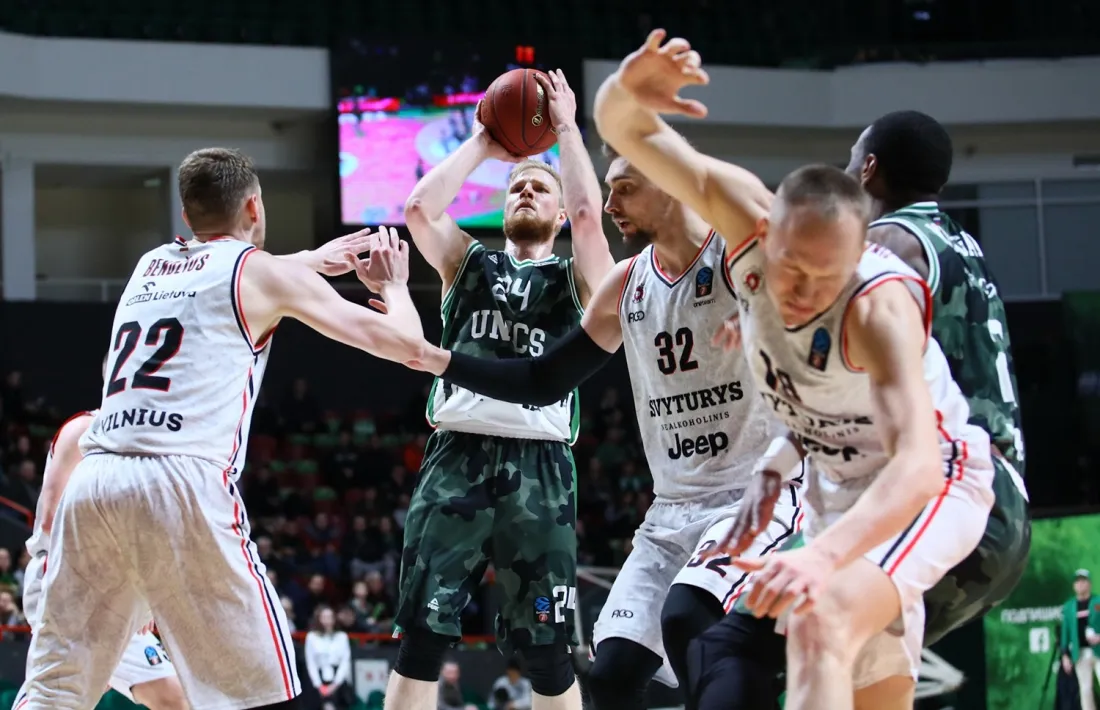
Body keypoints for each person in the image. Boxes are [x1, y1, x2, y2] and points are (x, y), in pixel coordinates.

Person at [594, 31, 997, 710]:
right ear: (766, 234)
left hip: (932, 485)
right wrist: (625, 91)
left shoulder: (880, 308)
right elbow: (629, 135)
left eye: (826, 277)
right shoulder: (746, 225)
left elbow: (918, 467)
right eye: (792, 269)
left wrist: (819, 554)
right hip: (833, 483)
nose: (806, 292)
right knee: (867, 690)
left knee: (817, 620)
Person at [20, 147, 426, 710]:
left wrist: (306, 262)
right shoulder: (260, 273)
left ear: (187, 214)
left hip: (97, 478)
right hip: (178, 483)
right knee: (262, 691)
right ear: (254, 206)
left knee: (55, 691)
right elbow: (407, 346)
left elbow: (219, 275)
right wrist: (397, 286)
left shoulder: (149, 265)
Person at [405, 142, 801, 709]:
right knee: (611, 674)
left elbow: (774, 222)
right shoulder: (624, 283)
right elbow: (543, 379)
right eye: (609, 190)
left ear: (669, 183)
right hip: (671, 511)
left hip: (755, 493)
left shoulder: (736, 257)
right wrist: (438, 359)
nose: (611, 204)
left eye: (625, 188)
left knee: (688, 619)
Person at [690, 110, 1034, 708]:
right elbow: (849, 395)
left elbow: (839, 376)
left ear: (868, 168)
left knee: (742, 642)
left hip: (938, 489)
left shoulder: (885, 249)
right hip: (1003, 505)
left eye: (851, 156)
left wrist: (767, 320)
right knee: (857, 674)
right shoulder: (958, 241)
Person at [385, 70, 614, 710]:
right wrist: (485, 143)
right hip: (457, 455)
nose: (526, 191)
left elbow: (590, 218)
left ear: (559, 212)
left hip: (541, 466)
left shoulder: (577, 279)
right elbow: (419, 210)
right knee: (422, 638)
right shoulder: (468, 263)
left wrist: (566, 129)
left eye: (540, 187)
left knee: (548, 649)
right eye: (517, 187)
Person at [13, 397, 188, 710]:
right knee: (58, 696)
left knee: (173, 698)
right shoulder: (85, 428)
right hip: (67, 579)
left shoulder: (139, 441)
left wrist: (140, 591)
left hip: (115, 588)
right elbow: (52, 519)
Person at [1062, 569, 1100, 710]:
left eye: (1083, 581)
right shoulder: (1069, 607)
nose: (1080, 584)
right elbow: (1065, 632)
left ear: (1089, 583)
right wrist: (1065, 655)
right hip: (1080, 653)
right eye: (1077, 581)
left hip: (1098, 651)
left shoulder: (1098, 602)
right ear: (1074, 586)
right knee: (1085, 690)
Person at [304, 606, 354, 710]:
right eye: (324, 617)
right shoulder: (311, 637)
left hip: (338, 679)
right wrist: (318, 685)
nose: (327, 620)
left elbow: (345, 662)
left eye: (330, 617)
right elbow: (311, 663)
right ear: (318, 619)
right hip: (317, 679)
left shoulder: (342, 636)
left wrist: (335, 684)